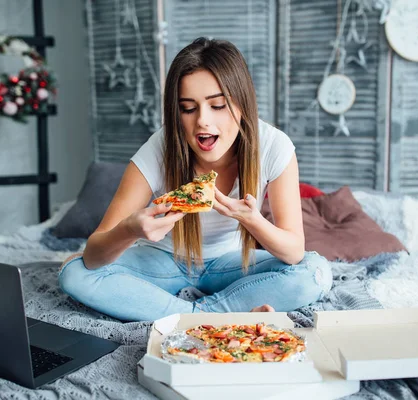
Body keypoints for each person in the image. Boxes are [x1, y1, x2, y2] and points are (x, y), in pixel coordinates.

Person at [59, 37, 332, 322]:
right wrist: (130, 230)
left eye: (217, 105)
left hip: (231, 264)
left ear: (242, 104)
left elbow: (294, 250)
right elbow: (92, 255)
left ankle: (193, 317)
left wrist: (253, 220)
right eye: (188, 108)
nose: (202, 120)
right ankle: (210, 316)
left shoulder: (274, 146)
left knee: (315, 272)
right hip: (163, 261)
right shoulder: (159, 148)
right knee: (74, 273)